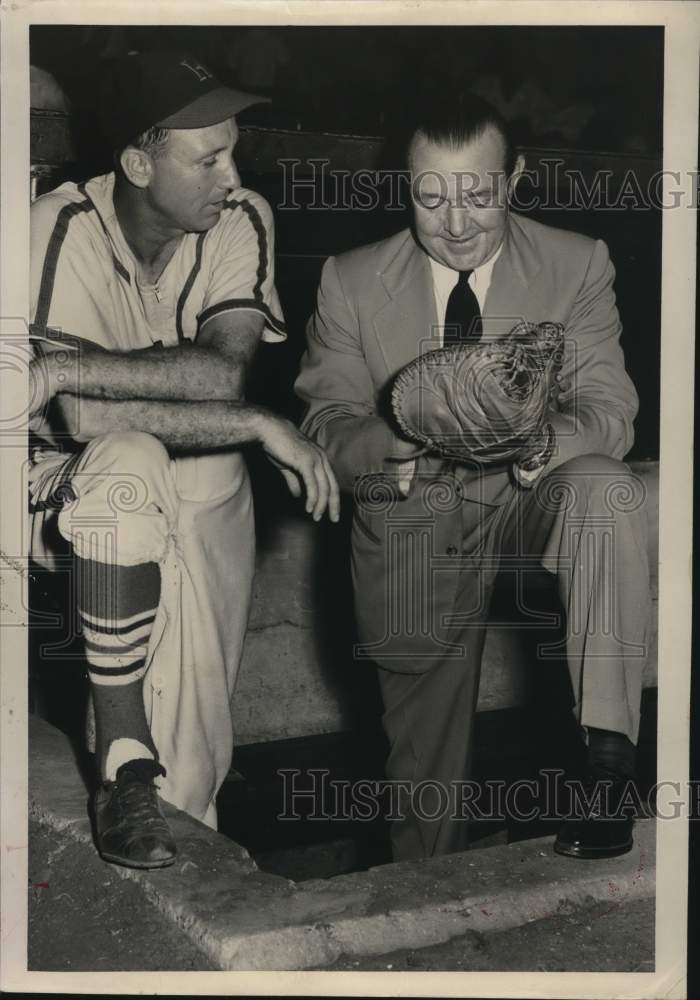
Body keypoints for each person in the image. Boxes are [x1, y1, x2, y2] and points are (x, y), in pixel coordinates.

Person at [295, 92, 651, 862]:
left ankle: (609, 767)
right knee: (423, 815)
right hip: (414, 520)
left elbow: (611, 411)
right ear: (406, 186)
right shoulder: (348, 281)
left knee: (603, 487)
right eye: (431, 197)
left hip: (533, 501)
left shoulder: (576, 262)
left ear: (514, 179)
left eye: (478, 195)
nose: (455, 224)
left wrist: (534, 439)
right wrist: (398, 435)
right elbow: (326, 429)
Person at [27, 49, 339, 870]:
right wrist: (250, 422)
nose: (232, 175)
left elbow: (224, 371)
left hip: (178, 479)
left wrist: (69, 364)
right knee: (136, 462)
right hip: (38, 486)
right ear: (137, 162)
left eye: (232, 150)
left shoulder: (241, 218)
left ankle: (180, 797)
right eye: (208, 158)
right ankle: (135, 773)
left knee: (201, 465)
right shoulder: (56, 226)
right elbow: (82, 418)